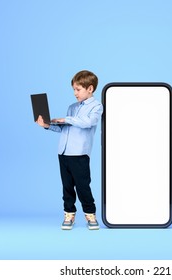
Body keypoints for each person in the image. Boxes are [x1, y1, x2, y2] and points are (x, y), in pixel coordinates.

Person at [36, 70, 103, 230]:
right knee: (67, 186)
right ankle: (69, 214)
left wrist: (66, 119)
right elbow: (65, 129)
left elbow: (88, 122)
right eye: (73, 89)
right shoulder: (72, 107)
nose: (75, 93)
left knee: (83, 186)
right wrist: (48, 125)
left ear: (90, 89)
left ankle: (90, 214)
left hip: (79, 154)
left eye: (78, 89)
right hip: (63, 153)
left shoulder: (97, 106)